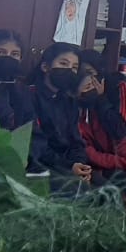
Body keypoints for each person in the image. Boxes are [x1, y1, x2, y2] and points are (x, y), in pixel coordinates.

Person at [76, 64, 126, 184]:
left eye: (93, 85)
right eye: (87, 87)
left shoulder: (99, 111)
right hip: (92, 167)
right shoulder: (75, 119)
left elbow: (120, 142)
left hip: (114, 164)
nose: (92, 90)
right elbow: (92, 155)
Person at [28, 42, 91, 187]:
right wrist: (68, 167)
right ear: (46, 67)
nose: (69, 70)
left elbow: (77, 140)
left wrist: (79, 164)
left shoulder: (69, 101)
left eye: (74, 67)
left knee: (107, 190)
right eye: (63, 63)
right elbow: (37, 146)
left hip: (68, 166)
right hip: (41, 167)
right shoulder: (29, 96)